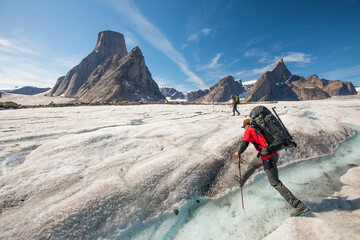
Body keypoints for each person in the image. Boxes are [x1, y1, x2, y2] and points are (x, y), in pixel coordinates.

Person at [235, 118, 309, 217]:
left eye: (244, 127)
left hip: (268, 159)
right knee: (253, 165)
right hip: (271, 155)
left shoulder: (249, 130)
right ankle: (242, 181)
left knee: (275, 182)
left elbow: (244, 143)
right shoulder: (259, 129)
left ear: (247, 125)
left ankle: (299, 205)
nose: (245, 129)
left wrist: (239, 152)